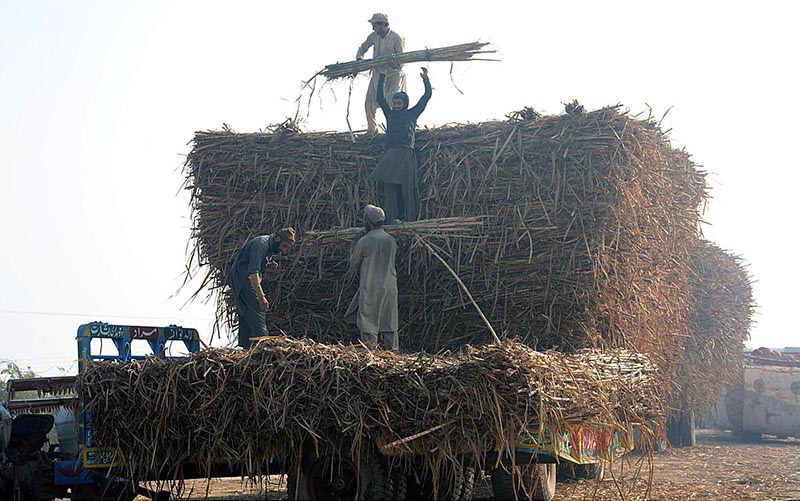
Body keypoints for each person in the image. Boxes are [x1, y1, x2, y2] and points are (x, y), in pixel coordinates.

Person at [368, 67, 432, 223]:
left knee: (408, 188)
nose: (396, 105)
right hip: (391, 153)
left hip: (406, 153)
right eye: (395, 102)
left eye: (399, 103)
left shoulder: (412, 113)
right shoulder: (389, 114)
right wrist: (383, 75)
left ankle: (411, 220)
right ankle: (390, 219)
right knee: (389, 186)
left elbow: (426, 97)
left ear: (404, 104)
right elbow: (380, 98)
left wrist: (426, 79)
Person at [344, 205, 399, 352]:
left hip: (370, 285)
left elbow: (353, 263)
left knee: (368, 321)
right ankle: (394, 353)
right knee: (389, 320)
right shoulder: (391, 240)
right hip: (389, 285)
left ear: (368, 221)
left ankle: (370, 355)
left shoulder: (365, 241)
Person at [229, 227, 296, 348]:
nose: (283, 250)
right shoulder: (261, 245)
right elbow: (253, 273)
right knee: (258, 309)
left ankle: (245, 347)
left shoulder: (269, 247)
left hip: (240, 279)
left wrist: (267, 265)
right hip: (245, 280)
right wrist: (261, 297)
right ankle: (265, 346)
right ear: (278, 239)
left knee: (246, 313)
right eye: (284, 246)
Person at [356, 13, 406, 134]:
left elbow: (402, 60)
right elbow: (363, 48)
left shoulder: (396, 38)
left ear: (383, 25)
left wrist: (395, 64)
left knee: (392, 101)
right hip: (378, 74)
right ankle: (372, 130)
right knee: (369, 102)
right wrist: (359, 58)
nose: (373, 28)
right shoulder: (374, 36)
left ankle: (394, 129)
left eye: (375, 25)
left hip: (393, 76)